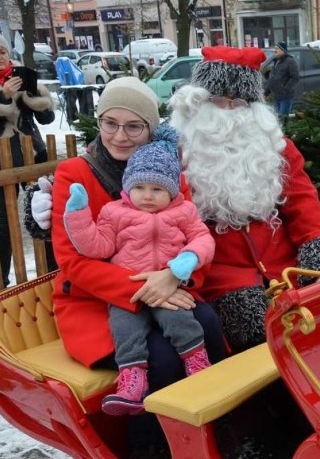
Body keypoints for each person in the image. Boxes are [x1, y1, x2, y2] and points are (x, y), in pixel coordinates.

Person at [40, 77, 225, 459]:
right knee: (159, 354)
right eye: (110, 123)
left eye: (133, 126)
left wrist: (175, 279)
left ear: (150, 129)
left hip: (168, 284)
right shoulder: (75, 172)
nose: (120, 136)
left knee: (209, 323)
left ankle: (216, 430)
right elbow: (74, 261)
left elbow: (193, 235)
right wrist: (152, 287)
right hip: (98, 300)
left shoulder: (166, 169)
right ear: (99, 122)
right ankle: (148, 450)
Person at [168, 45, 320, 352]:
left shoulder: (274, 147)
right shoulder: (178, 154)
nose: (227, 110)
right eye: (217, 101)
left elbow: (303, 203)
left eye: (237, 101)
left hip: (285, 267)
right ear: (199, 101)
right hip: (223, 278)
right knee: (259, 336)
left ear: (253, 106)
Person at [62, 125, 216, 415]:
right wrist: (79, 215)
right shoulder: (115, 213)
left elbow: (202, 238)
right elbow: (95, 247)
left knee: (181, 321)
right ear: (128, 188)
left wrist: (186, 261)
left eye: (157, 189)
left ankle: (197, 362)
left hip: (169, 285)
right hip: (129, 289)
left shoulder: (182, 212)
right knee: (125, 330)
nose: (147, 196)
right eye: (140, 188)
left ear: (171, 192)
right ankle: (132, 381)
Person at [0, 20, 55, 286]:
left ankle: (52, 271)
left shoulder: (21, 74)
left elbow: (48, 118)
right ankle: (1, 283)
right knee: (1, 225)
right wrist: (3, 96)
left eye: (2, 51)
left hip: (32, 150)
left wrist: (35, 95)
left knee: (46, 213)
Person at [266, 42, 299, 127]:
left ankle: (285, 136)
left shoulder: (290, 61)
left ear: (283, 50)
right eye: (275, 48)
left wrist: (285, 88)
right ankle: (280, 135)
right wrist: (267, 91)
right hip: (277, 96)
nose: (275, 50)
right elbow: (272, 78)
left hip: (285, 96)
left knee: (283, 119)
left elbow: (295, 77)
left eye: (277, 48)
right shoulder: (276, 62)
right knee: (277, 119)